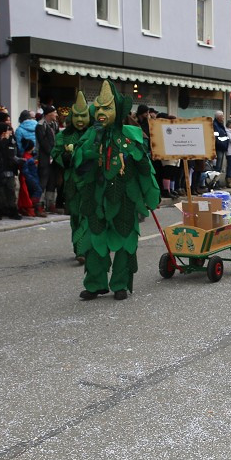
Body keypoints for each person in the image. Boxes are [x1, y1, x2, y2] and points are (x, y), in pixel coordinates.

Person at [72, 80, 160, 301]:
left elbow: (144, 166)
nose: (102, 113)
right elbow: (79, 165)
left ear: (117, 109)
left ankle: (120, 283)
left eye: (107, 108)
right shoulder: (91, 135)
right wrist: (94, 146)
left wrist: (150, 194)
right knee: (94, 242)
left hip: (124, 197)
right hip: (97, 198)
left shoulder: (131, 134)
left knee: (124, 241)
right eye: (99, 108)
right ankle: (95, 284)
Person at [55, 92, 91, 263]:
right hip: (72, 183)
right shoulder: (63, 135)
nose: (80, 119)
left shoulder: (93, 134)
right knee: (75, 216)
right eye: (76, 115)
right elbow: (55, 153)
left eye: (83, 115)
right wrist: (65, 157)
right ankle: (78, 247)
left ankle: (82, 249)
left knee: (87, 215)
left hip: (90, 181)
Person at [36, 104, 58, 216]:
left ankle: (50, 204)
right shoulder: (40, 125)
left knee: (52, 181)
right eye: (54, 112)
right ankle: (39, 205)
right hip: (44, 158)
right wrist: (52, 152)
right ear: (49, 114)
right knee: (43, 181)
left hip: (53, 158)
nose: (56, 114)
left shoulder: (54, 124)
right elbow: (43, 142)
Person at [212, 110, 229, 176]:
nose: (223, 118)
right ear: (218, 117)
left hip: (222, 147)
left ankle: (217, 180)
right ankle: (215, 181)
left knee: (219, 165)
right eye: (222, 116)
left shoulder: (220, 125)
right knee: (217, 166)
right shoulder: (215, 125)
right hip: (218, 147)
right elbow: (215, 137)